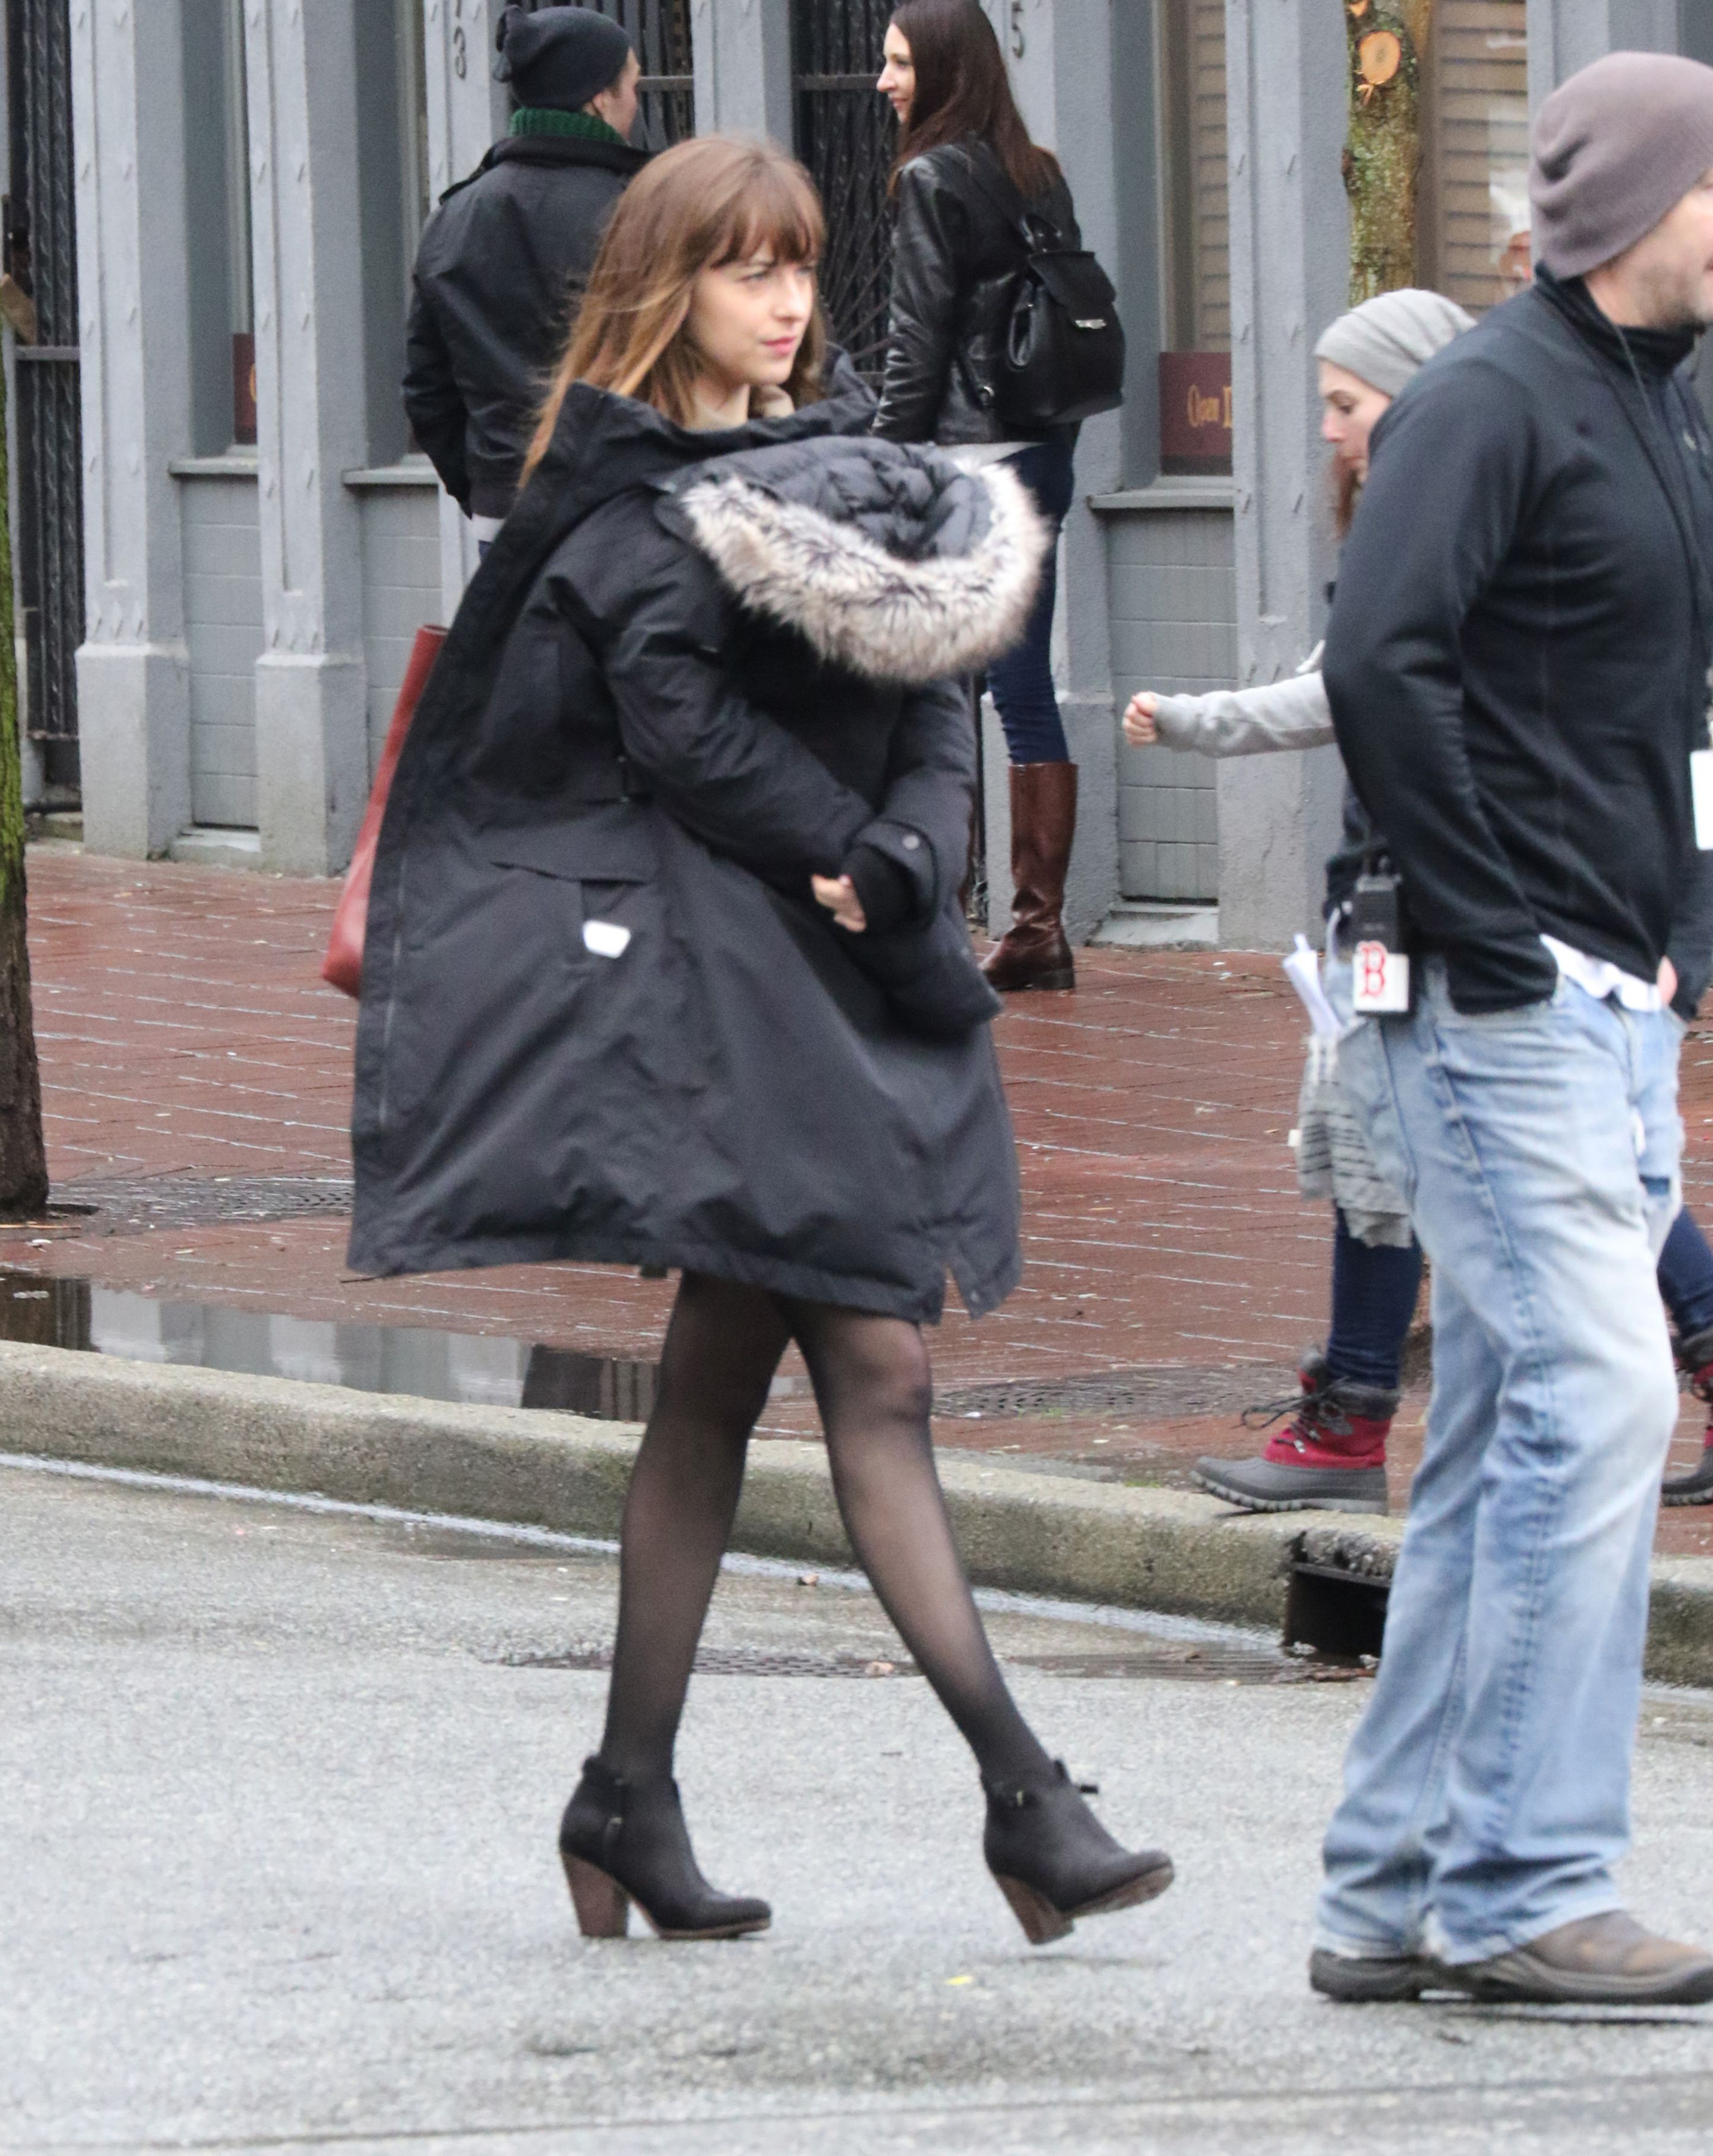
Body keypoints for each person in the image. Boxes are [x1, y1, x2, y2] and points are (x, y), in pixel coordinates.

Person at [349, 136, 1172, 1949]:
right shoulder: (623, 496)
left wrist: (912, 852)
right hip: (727, 981)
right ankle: (1025, 1800)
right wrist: (843, 845)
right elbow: (672, 721)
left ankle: (624, 1798)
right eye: (746, 268)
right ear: (673, 288)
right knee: (875, 1359)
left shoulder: (857, 463)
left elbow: (938, 673)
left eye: (799, 263)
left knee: (719, 1386)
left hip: (845, 956)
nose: (788, 299)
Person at [1309, 52, 1713, 2007]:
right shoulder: (1489, 399)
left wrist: (1686, 935)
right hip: (1504, 1002)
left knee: (1501, 1433)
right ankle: (1524, 1886)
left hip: (1611, 1002)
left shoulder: (1658, 405)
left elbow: (1673, 703)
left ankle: (1388, 1887)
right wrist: (1492, 936)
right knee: (1609, 1394)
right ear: (1643, 205)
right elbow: (1378, 662)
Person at [1122, 290, 1713, 1515]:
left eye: (1347, 403)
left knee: (1522, 1188)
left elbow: (1361, 683)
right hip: (1452, 930)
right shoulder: (1465, 496)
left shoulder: (1533, 494)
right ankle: (1362, 1417)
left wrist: (1663, 942)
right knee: (1476, 1174)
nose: (1329, 430)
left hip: (1490, 939)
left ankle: (1356, 1422)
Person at [871, 0, 1086, 992]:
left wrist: (882, 465)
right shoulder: (1037, 171)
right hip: (1041, 455)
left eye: (900, 64)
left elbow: (917, 344)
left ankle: (947, 921)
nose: (884, 82)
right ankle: (1037, 929)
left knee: (947, 696)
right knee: (1022, 683)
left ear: (947, 70)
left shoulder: (929, 176)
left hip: (967, 464)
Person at [404, 4, 648, 550]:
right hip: (621, 512)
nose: (636, 102)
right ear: (599, 98)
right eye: (633, 85)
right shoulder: (640, 213)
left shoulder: (454, 216)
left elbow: (427, 392)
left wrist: (485, 493)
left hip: (505, 516)